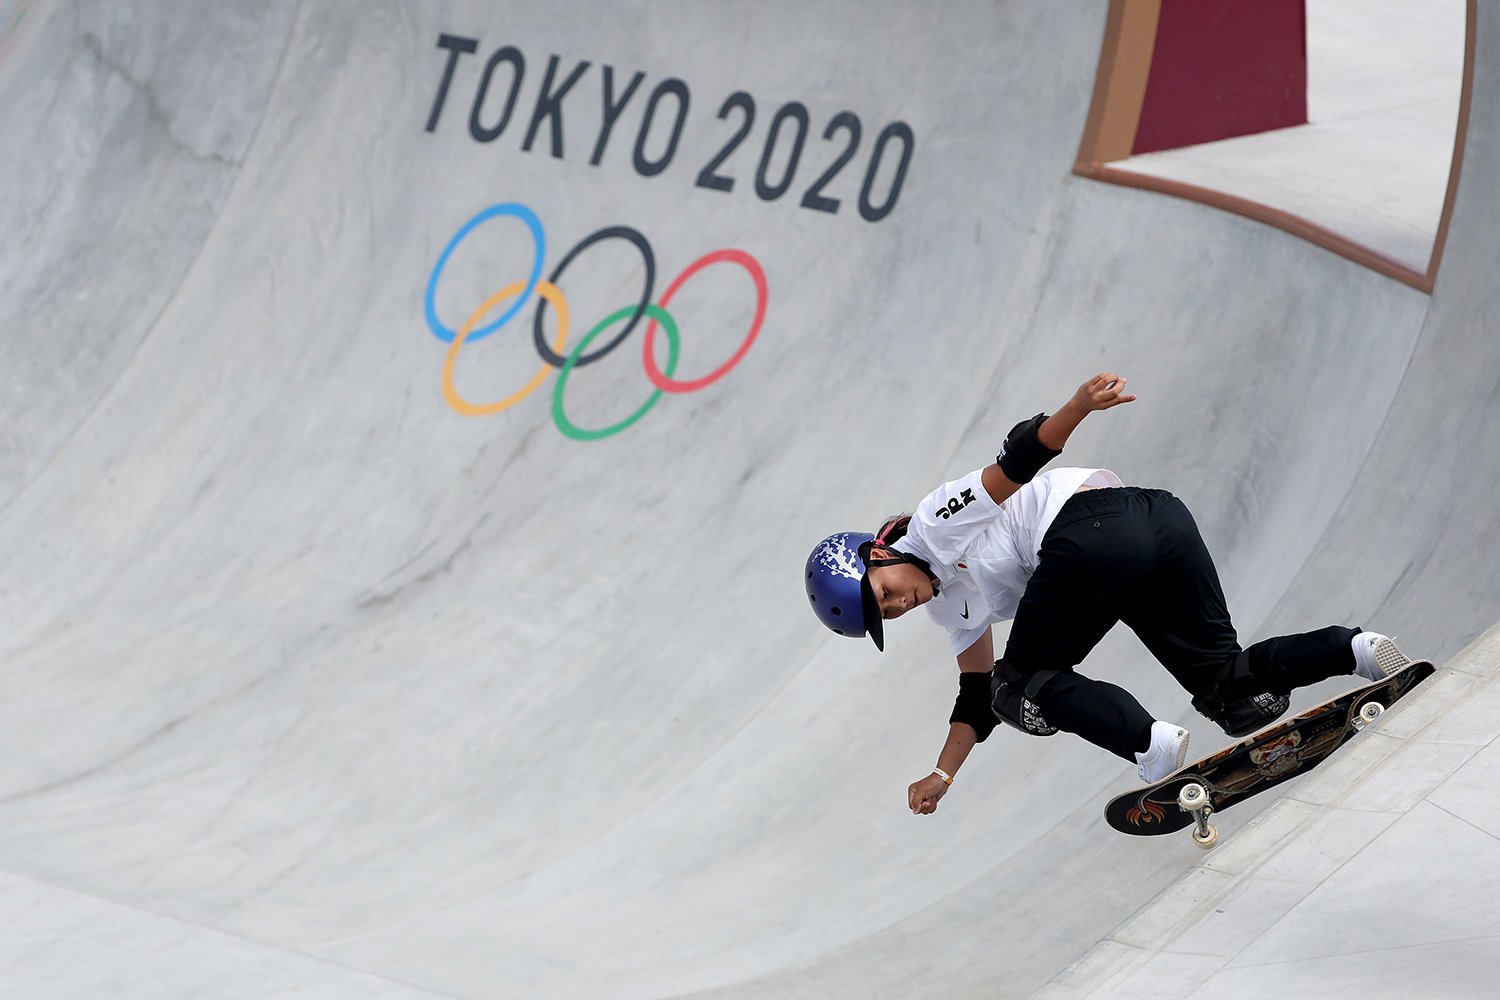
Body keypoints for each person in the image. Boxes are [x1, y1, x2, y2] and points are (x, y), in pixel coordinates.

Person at [804, 373, 1410, 816]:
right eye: (887, 615)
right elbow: (973, 693)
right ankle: (1356, 650)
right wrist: (944, 772)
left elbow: (1015, 464)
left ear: (880, 553)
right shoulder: (949, 607)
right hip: (1159, 522)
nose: (898, 605)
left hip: (1092, 531)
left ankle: (1149, 744)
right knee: (1228, 689)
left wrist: (1077, 407)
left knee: (1020, 685)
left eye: (883, 593)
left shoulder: (934, 525)